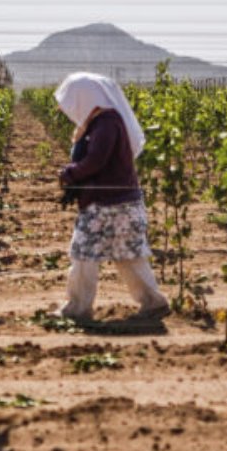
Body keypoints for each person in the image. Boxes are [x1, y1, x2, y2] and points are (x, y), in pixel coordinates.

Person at [53, 72, 169, 322]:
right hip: (115, 202)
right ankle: (152, 303)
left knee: (87, 252)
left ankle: (78, 309)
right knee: (125, 255)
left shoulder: (106, 123)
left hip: (110, 204)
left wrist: (70, 174)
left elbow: (96, 161)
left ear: (85, 98)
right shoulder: (101, 122)